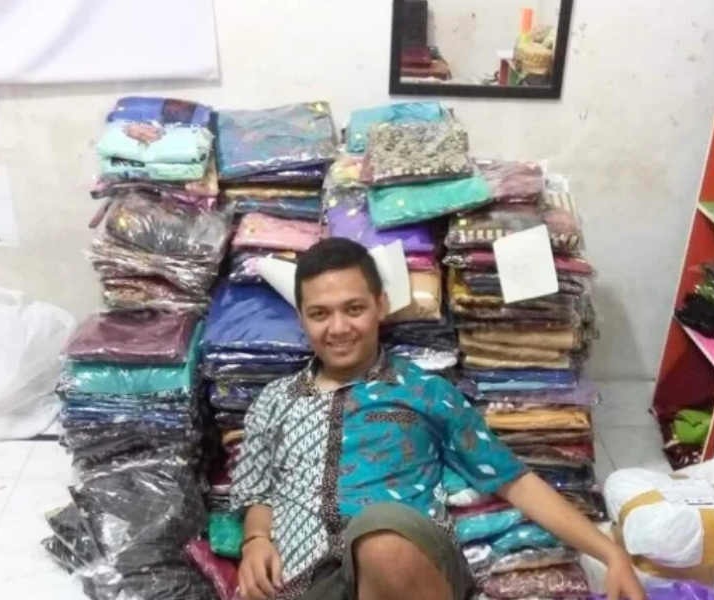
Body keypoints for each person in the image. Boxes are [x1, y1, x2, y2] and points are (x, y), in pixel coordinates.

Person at [229, 238, 644, 600]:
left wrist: (609, 553)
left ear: (380, 305)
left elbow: (512, 479)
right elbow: (258, 490)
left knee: (381, 537)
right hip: (309, 577)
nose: (338, 328)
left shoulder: (425, 392)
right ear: (302, 318)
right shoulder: (274, 399)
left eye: (353, 309)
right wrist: (256, 540)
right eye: (320, 314)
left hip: (409, 561)